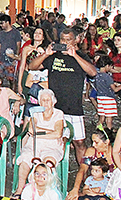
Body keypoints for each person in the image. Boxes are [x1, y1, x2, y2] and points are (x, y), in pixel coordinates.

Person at [28, 28, 96, 165]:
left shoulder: (81, 56)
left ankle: (83, 175)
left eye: (68, 40)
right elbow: (32, 66)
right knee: (56, 140)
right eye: (62, 40)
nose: (65, 42)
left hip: (73, 106)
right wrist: (46, 54)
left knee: (80, 142)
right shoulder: (53, 56)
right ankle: (53, 168)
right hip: (55, 107)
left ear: (75, 40)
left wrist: (74, 55)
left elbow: (93, 72)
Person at [14, 89, 65, 196]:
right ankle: (19, 190)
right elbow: (31, 130)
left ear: (53, 101)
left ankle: (44, 193)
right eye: (43, 100)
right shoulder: (35, 112)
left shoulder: (58, 113)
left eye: (48, 100)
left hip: (52, 147)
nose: (46, 103)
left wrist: (39, 132)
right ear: (39, 102)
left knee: (48, 162)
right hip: (34, 145)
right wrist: (50, 131)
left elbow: (58, 134)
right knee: (25, 159)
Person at [93, 54, 118, 130]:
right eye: (110, 66)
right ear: (107, 66)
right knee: (109, 119)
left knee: (101, 118)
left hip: (100, 98)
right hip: (109, 99)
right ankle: (109, 133)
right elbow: (115, 89)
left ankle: (98, 132)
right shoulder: (107, 76)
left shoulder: (97, 75)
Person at [0, 15, 22, 84]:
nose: (1, 25)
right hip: (1, 59)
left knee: (11, 79)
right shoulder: (0, 34)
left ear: (7, 22)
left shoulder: (16, 33)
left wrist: (15, 58)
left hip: (11, 60)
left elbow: (18, 46)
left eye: (2, 23)